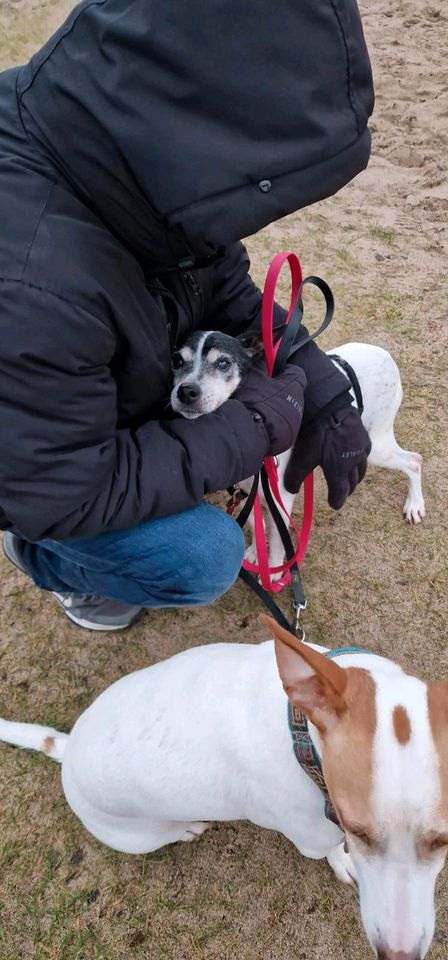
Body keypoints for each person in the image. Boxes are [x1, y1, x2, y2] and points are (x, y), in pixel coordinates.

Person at [0, 0, 373, 631]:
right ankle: (47, 560)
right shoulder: (33, 284)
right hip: (44, 473)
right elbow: (70, 491)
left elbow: (225, 288)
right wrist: (256, 421)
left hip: (66, 415)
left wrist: (325, 393)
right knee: (201, 556)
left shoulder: (140, 170)